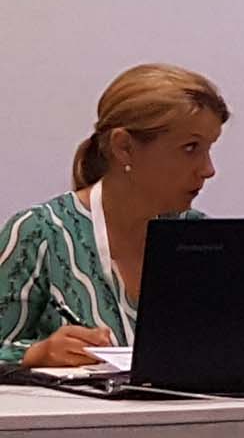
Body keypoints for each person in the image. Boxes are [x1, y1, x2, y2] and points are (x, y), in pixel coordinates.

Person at [0, 64, 230, 367]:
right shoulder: (40, 233)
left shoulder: (199, 238)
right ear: (124, 148)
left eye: (209, 149)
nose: (208, 169)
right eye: (190, 148)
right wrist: (36, 354)